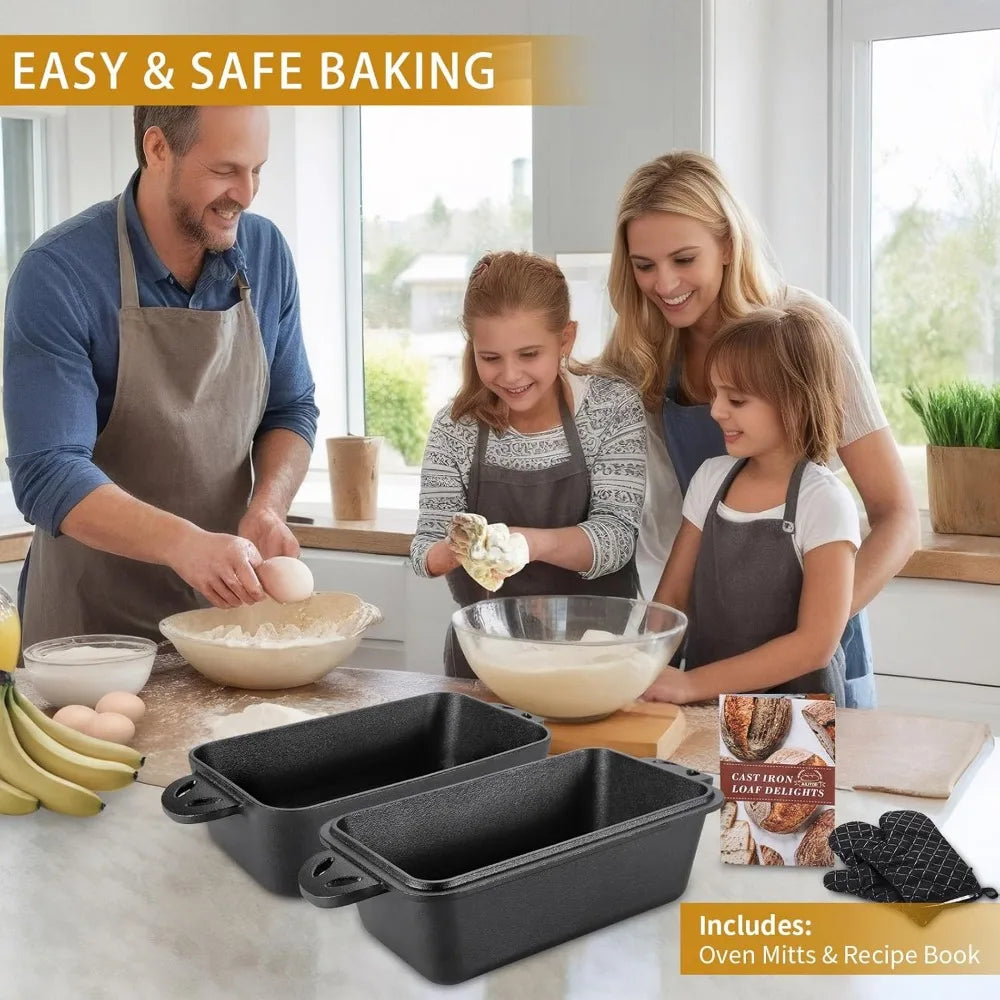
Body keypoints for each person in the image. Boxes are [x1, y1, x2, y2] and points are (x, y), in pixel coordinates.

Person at [590, 151, 919, 708]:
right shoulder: (643, 351)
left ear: (727, 243)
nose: (663, 283)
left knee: (799, 799)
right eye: (644, 265)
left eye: (683, 258)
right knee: (714, 795)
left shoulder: (804, 334)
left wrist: (805, 635)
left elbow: (899, 520)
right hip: (717, 650)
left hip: (807, 658)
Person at [3, 106, 319, 647]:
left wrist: (267, 505)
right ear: (157, 150)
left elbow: (290, 410)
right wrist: (186, 545)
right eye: (225, 170)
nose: (245, 194)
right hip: (92, 636)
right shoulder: (60, 273)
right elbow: (48, 473)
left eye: (257, 169)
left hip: (225, 627)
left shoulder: (264, 254)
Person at [409, 251, 647, 678]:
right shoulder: (455, 427)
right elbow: (422, 551)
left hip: (597, 657)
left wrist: (521, 544)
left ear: (565, 339)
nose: (510, 375)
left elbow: (615, 539)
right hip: (488, 658)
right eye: (491, 357)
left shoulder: (612, 408)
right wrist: (458, 548)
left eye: (529, 354)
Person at [644, 304, 859, 705]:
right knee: (696, 772)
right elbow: (671, 598)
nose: (715, 411)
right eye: (716, 393)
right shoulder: (711, 479)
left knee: (745, 774)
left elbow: (815, 645)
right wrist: (639, 670)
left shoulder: (824, 501)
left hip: (792, 724)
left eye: (737, 400)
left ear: (795, 402)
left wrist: (692, 684)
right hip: (704, 706)